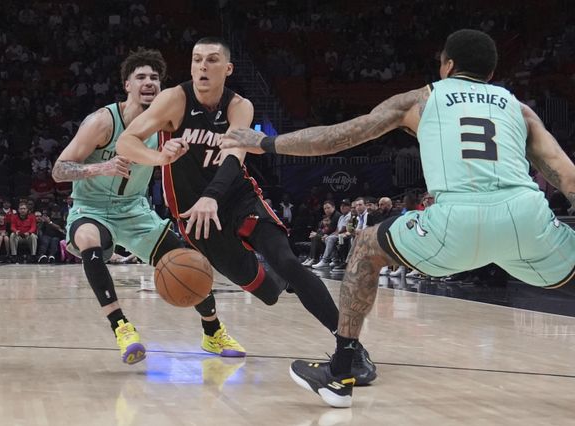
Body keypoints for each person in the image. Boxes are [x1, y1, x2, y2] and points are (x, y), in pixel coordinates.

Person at [221, 29, 575, 407]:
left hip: (455, 222)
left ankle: (342, 370)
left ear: (447, 65)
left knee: (366, 245)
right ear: (490, 73)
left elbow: (338, 137)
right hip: (526, 218)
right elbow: (566, 176)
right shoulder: (519, 109)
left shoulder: (421, 99)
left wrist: (266, 142)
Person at [117, 37, 376, 384]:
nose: (202, 66)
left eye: (212, 60)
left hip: (239, 198)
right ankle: (281, 279)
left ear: (228, 69)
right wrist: (159, 157)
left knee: (288, 262)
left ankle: (351, 348)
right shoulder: (174, 100)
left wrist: (212, 195)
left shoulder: (239, 106)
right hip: (196, 218)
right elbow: (126, 142)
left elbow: (234, 156)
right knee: (268, 293)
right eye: (196, 59)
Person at [52, 47, 245, 365]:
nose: (149, 82)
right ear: (127, 85)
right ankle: (122, 328)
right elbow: (59, 170)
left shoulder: (164, 125)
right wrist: (100, 167)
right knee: (88, 238)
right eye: (141, 77)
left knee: (186, 262)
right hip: (91, 208)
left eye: (155, 78)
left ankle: (213, 332)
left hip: (134, 210)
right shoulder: (102, 121)